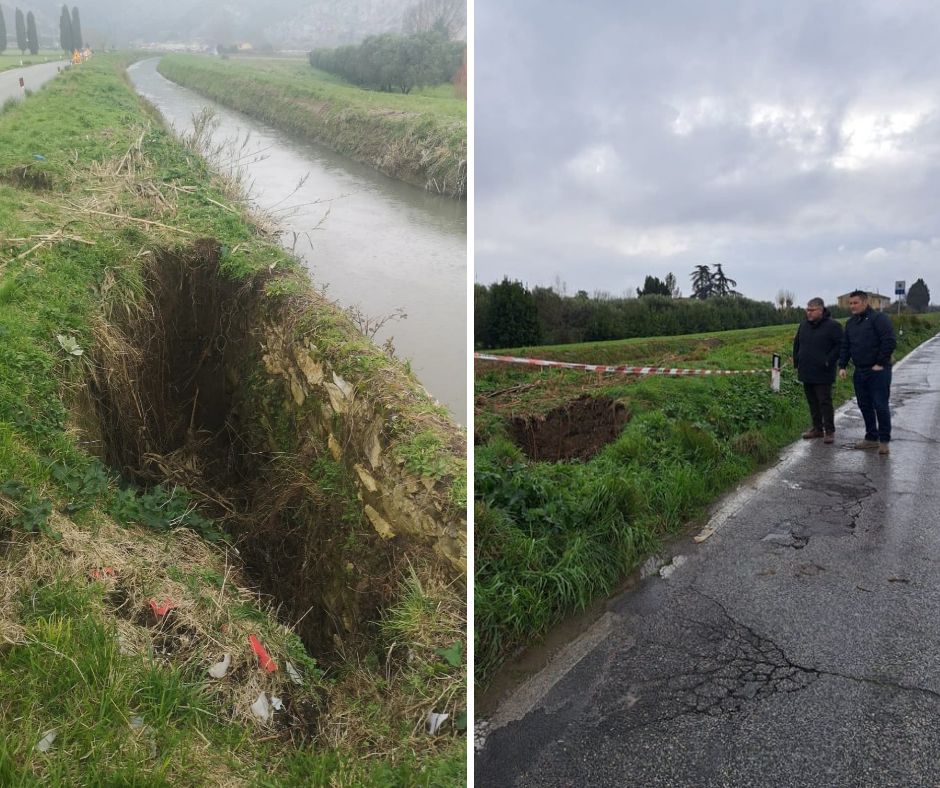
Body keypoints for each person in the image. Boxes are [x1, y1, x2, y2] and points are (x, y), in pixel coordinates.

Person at [838, 289, 897, 455]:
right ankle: (871, 437)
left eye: (855, 303)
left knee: (880, 405)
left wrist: (880, 363)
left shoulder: (879, 319)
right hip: (860, 370)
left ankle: (884, 441)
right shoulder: (850, 323)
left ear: (865, 302)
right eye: (850, 303)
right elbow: (846, 346)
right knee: (864, 405)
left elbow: (889, 341)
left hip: (878, 371)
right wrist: (842, 365)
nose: (852, 306)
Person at [793, 297, 843, 444]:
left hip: (823, 371)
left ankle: (829, 431)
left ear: (820, 310)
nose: (808, 313)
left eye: (812, 310)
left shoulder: (833, 326)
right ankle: (817, 429)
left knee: (824, 402)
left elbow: (840, 345)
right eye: (807, 310)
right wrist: (797, 362)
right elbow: (797, 344)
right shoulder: (803, 325)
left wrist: (828, 360)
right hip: (806, 370)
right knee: (812, 402)